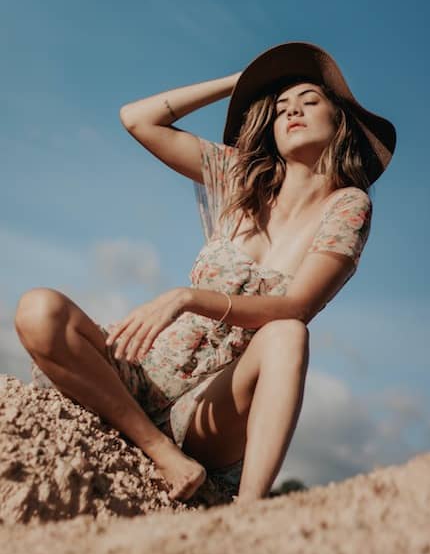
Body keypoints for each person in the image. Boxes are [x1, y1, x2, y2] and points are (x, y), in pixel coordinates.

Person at [14, 42, 396, 506]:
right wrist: (242, 81)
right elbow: (138, 118)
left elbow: (296, 307)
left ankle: (247, 513)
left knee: (288, 334)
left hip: (210, 408)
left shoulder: (348, 205)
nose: (292, 111)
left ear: (339, 121)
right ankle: (159, 451)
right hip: (140, 375)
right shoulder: (240, 179)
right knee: (38, 310)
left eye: (309, 101)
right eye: (280, 108)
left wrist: (188, 297)